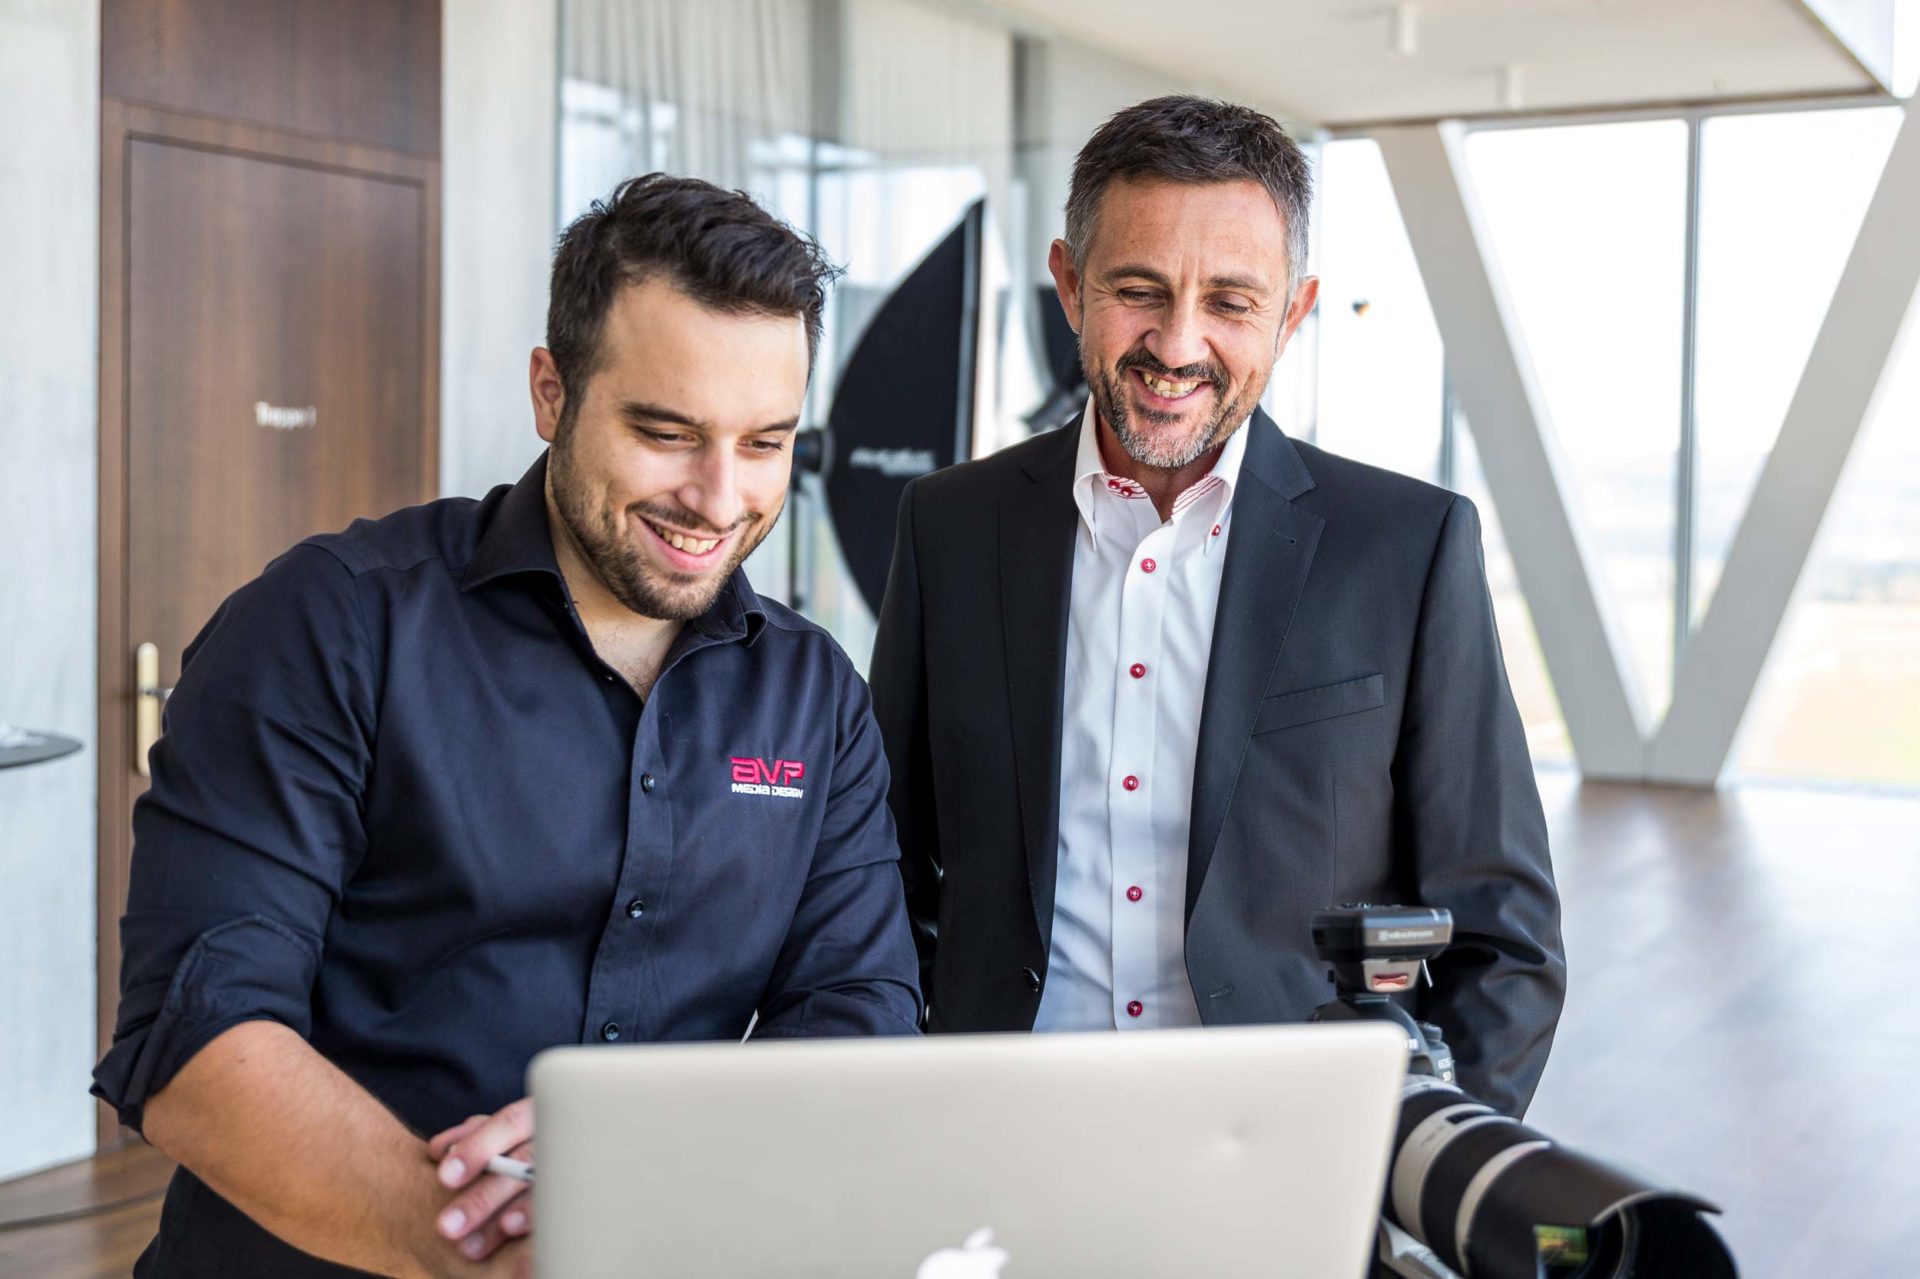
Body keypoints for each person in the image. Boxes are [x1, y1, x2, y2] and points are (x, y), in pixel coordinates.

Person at [94, 174, 921, 1278]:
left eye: (765, 444)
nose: (720, 497)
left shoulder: (815, 695)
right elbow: (195, 1043)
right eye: (667, 432)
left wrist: (660, 1143)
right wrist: (500, 1253)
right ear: (551, 391)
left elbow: (859, 1020)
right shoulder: (329, 625)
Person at [868, 96, 1564, 1117]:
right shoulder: (948, 526)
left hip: (1286, 1154)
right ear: (1069, 285)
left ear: (1293, 310)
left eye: (1232, 303)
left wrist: (1400, 1172)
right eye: (1137, 289)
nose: (1177, 343)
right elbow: (883, 866)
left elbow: (1503, 936)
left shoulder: (1407, 547)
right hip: (997, 1131)